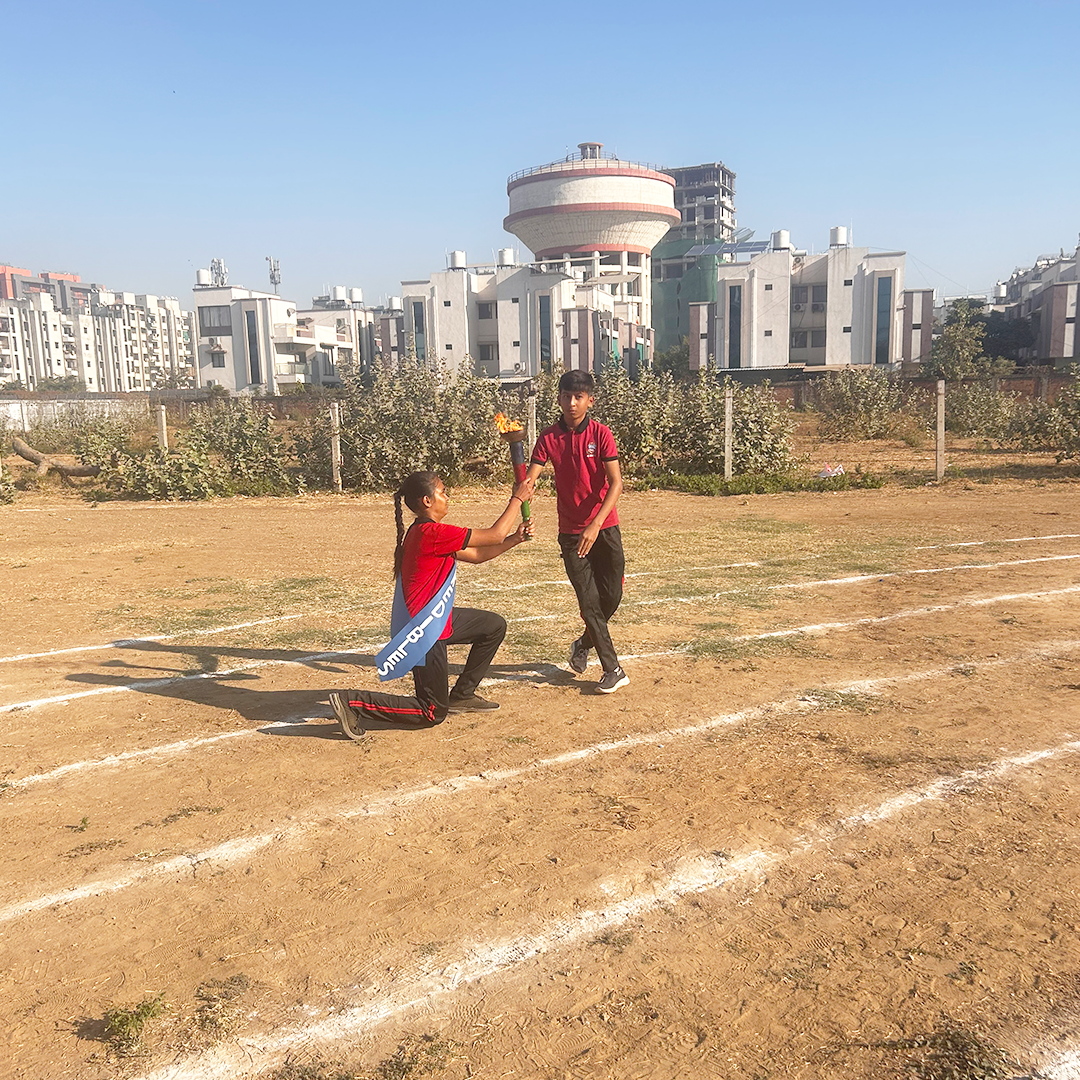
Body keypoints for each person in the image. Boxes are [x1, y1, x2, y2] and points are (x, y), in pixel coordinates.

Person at [330, 470, 534, 741]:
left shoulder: (431, 533)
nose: (447, 497)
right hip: (423, 631)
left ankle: (462, 695)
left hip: (435, 619)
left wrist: (515, 539)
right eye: (442, 491)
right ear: (427, 501)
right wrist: (517, 499)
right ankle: (353, 702)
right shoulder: (432, 533)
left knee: (492, 626)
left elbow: (477, 555)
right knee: (432, 712)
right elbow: (495, 534)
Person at [526, 369, 628, 694]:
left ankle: (583, 644)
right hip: (571, 535)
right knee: (589, 601)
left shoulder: (601, 435)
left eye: (578, 397)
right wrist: (525, 487)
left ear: (590, 400)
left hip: (604, 528)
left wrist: (596, 524)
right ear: (558, 398)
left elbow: (616, 484)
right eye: (566, 396)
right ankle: (612, 669)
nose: (572, 403)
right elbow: (532, 477)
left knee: (611, 597)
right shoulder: (548, 438)